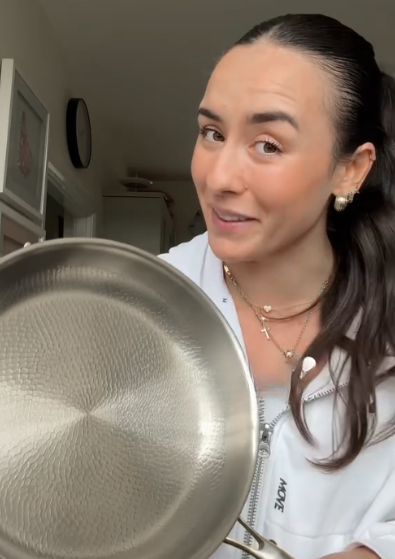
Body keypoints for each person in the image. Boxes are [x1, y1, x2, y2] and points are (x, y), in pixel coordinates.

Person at [159, 13, 395, 559]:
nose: (218, 178)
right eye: (212, 133)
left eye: (268, 145)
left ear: (351, 170)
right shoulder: (141, 304)